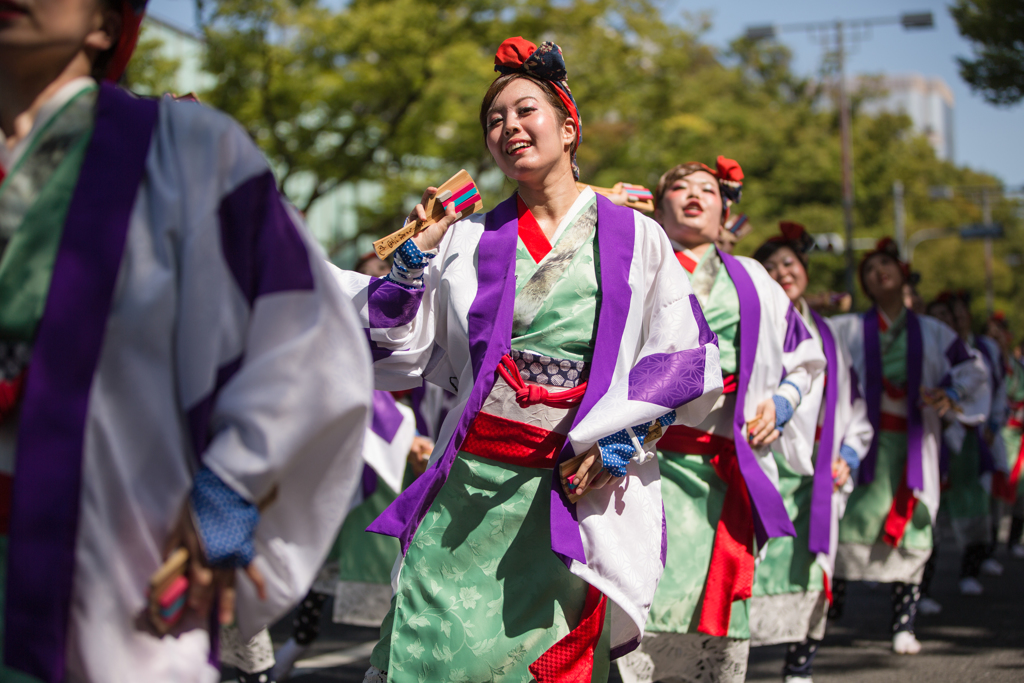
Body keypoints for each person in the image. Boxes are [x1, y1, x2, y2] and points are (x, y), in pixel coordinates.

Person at [0, 2, 373, 681]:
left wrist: (234, 479)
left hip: (111, 582)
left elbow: (305, 335)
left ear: (107, 26)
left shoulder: (187, 150)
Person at [333, 37, 724, 683]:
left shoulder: (635, 235)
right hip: (468, 489)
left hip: (570, 489)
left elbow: (681, 353)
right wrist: (410, 261)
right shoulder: (466, 238)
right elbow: (396, 348)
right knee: (428, 650)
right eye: (494, 119)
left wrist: (624, 434)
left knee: (546, 664)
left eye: (524, 112)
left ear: (569, 127)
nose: (508, 127)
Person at [617, 162, 826, 683]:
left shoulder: (754, 277)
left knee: (717, 599)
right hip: (642, 463)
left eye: (707, 190)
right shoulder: (634, 265)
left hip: (724, 463)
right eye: (679, 189)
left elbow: (806, 356)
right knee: (636, 594)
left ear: (724, 211)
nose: (694, 196)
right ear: (657, 208)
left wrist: (782, 402)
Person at [829, 240, 988, 655]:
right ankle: (830, 612)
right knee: (849, 522)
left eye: (887, 264)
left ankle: (903, 623)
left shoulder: (935, 332)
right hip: (864, 444)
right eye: (869, 268)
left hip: (916, 444)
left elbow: (973, 368)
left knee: (915, 526)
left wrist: (950, 391)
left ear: (902, 273)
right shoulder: (845, 328)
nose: (878, 271)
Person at [750, 223, 873, 683]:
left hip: (816, 471)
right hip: (759, 459)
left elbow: (855, 404)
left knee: (811, 566)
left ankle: (799, 664)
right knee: (750, 567)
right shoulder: (751, 321)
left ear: (804, 270)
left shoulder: (830, 334)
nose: (781, 272)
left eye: (789, 263)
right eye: (770, 266)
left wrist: (849, 452)